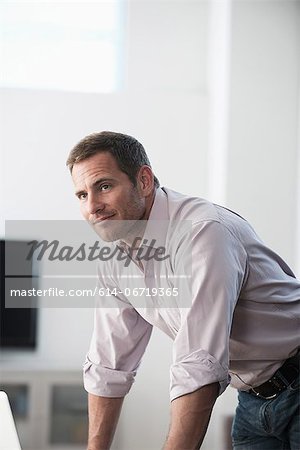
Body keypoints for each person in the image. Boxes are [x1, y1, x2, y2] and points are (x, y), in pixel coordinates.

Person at [67, 131, 300, 450]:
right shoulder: (114, 255)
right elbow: (109, 365)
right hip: (253, 397)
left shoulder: (201, 232)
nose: (93, 206)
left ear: (144, 181)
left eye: (104, 186)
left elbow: (199, 361)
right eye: (81, 195)